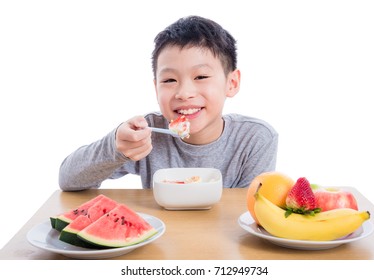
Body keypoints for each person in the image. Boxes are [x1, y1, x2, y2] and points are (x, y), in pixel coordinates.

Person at [59, 15, 278, 191]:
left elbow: (245, 212)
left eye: (201, 77)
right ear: (156, 88)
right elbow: (68, 180)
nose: (184, 93)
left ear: (232, 83)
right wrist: (116, 146)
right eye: (169, 80)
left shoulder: (255, 139)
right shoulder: (146, 134)